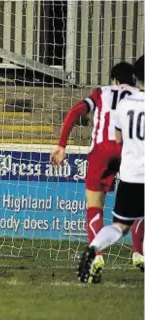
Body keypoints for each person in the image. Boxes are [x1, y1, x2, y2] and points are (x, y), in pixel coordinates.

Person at [51, 62, 143, 281]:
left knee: (95, 206)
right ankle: (139, 252)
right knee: (139, 206)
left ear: (114, 80)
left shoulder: (102, 92)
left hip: (102, 150)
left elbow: (75, 111)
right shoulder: (138, 96)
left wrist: (62, 145)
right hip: (130, 154)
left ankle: (97, 255)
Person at [78, 55, 145, 283]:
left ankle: (94, 249)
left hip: (129, 173)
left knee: (119, 225)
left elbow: (118, 137)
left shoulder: (124, 104)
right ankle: (139, 253)